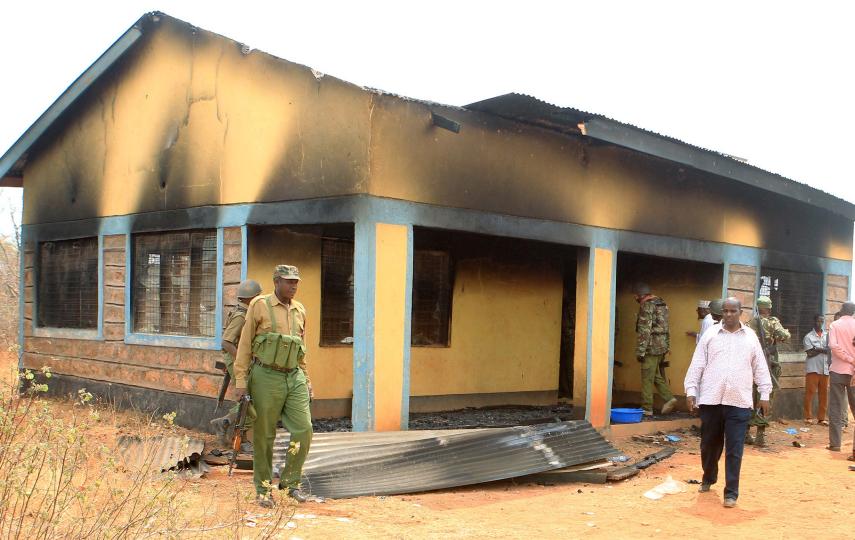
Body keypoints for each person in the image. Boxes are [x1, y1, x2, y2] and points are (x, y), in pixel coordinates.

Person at [234, 265, 313, 507]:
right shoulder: (259, 305)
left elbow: (302, 349)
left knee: (304, 429)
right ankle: (264, 489)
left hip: (294, 375)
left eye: (296, 282)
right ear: (276, 281)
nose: (294, 286)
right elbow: (245, 343)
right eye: (289, 281)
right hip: (265, 376)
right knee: (264, 435)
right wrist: (240, 380)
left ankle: (290, 484)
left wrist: (307, 379)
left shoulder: (300, 310)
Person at [684, 297, 772, 508]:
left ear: (741, 312)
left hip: (739, 401)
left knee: (735, 448)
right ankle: (708, 476)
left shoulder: (750, 337)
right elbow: (697, 364)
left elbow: (760, 366)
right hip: (711, 399)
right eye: (725, 311)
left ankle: (731, 492)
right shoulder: (710, 335)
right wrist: (690, 390)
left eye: (733, 311)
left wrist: (765, 394)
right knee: (709, 445)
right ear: (721, 313)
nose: (729, 315)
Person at [210, 279, 262, 445]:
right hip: (236, 360)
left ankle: (228, 425)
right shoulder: (241, 315)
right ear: (250, 297)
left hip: (239, 359)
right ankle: (236, 432)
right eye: (257, 296)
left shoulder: (246, 312)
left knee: (249, 399)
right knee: (248, 399)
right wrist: (242, 359)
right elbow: (226, 342)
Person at [746, 296, 790, 447]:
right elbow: (785, 336)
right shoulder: (772, 321)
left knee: (749, 398)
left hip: (751, 365)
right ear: (768, 308)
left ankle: (746, 433)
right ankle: (760, 436)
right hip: (768, 362)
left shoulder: (750, 323)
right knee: (766, 397)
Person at [634, 283, 677, 416]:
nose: (635, 298)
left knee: (647, 376)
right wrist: (667, 346)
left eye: (636, 296)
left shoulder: (647, 305)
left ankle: (647, 408)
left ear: (641, 295)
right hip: (661, 346)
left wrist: (641, 351)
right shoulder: (662, 303)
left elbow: (644, 330)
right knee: (654, 374)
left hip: (651, 347)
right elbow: (667, 326)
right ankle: (669, 398)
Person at [827, 302, 855, 458]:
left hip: (838, 370)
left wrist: (847, 358)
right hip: (854, 373)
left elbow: (833, 346)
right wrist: (853, 361)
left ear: (842, 310)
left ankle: (835, 444)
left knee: (836, 409)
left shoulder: (835, 325)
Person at [803, 314, 830, 425]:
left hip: (825, 369)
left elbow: (830, 350)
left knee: (823, 394)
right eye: (818, 321)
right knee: (810, 393)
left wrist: (817, 349)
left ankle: (821, 418)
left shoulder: (828, 336)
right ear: (814, 322)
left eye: (821, 321)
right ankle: (808, 417)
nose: (819, 323)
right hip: (813, 369)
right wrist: (823, 349)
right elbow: (809, 353)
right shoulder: (808, 337)